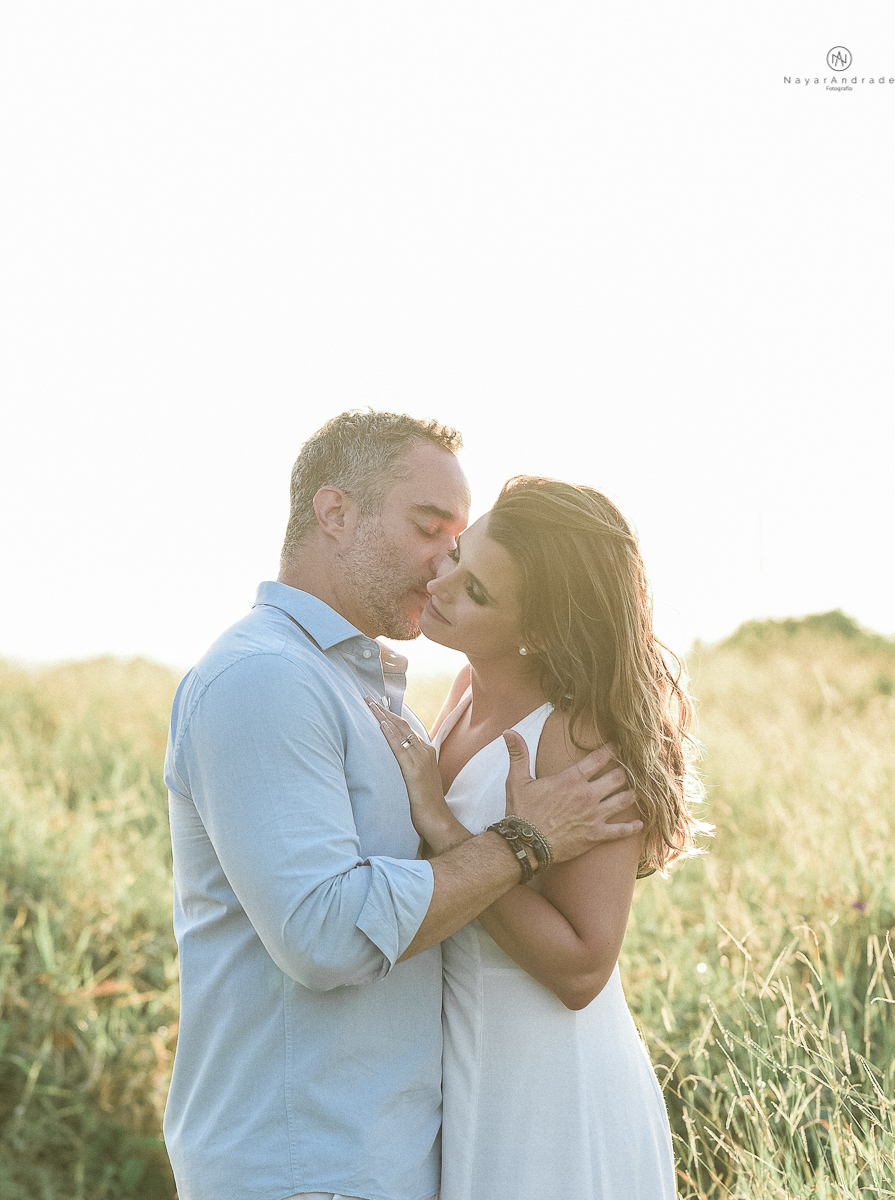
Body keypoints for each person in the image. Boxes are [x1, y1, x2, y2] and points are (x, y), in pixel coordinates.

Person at [163, 411, 644, 1200]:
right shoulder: (264, 681)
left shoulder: (366, 686)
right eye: (430, 531)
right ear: (335, 513)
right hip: (304, 1162)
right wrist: (521, 844)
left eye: (458, 547)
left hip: (398, 1147)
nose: (440, 568)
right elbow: (324, 936)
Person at [367, 475, 708, 1200]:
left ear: (542, 630)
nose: (443, 583)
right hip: (467, 1068)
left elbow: (584, 969)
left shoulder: (578, 735)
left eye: (478, 592)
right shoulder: (463, 690)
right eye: (457, 555)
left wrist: (443, 826)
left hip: (552, 1092)